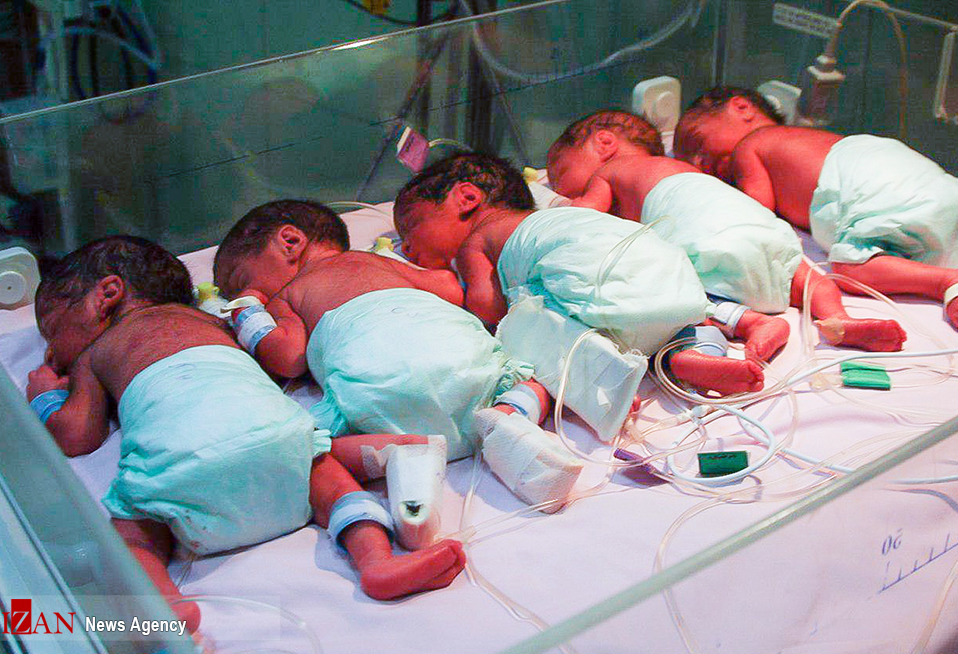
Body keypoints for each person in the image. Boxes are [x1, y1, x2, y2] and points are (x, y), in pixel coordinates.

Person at [26, 236, 466, 631]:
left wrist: (44, 393)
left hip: (182, 465)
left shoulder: (98, 352)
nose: (49, 352)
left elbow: (76, 435)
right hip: (275, 442)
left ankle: (166, 605)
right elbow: (272, 370)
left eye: (51, 330)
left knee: (133, 536)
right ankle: (377, 562)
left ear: (106, 296)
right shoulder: (216, 324)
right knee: (330, 481)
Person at [213, 200, 584, 515]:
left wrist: (248, 312)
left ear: (290, 241)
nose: (243, 292)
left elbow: (287, 358)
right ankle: (509, 417)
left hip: (380, 393)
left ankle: (402, 457)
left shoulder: (288, 296)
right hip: (467, 365)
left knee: (312, 452)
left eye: (241, 281)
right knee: (535, 378)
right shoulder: (379, 262)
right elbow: (450, 288)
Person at [392, 152, 773, 395]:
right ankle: (699, 346)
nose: (405, 248)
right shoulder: (569, 218)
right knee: (673, 307)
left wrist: (456, 295)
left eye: (409, 228)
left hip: (595, 289)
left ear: (467, 198)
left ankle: (611, 380)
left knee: (535, 325)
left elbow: (488, 307)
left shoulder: (476, 241)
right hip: (657, 260)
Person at [545, 109, 905, 354]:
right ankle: (839, 319)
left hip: (704, 233)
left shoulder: (609, 172)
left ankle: (752, 324)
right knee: (811, 280)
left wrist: (554, 205)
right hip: (757, 223)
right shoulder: (682, 169)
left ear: (604, 143)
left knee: (676, 291)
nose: (561, 188)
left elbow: (584, 216)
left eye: (560, 176)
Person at [673, 85, 958, 330]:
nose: (699, 164)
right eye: (690, 163)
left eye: (697, 143)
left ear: (742, 108)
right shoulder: (813, 138)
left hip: (870, 182)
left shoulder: (751, 145)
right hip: (922, 179)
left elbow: (753, 213)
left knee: (851, 266)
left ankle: (945, 282)